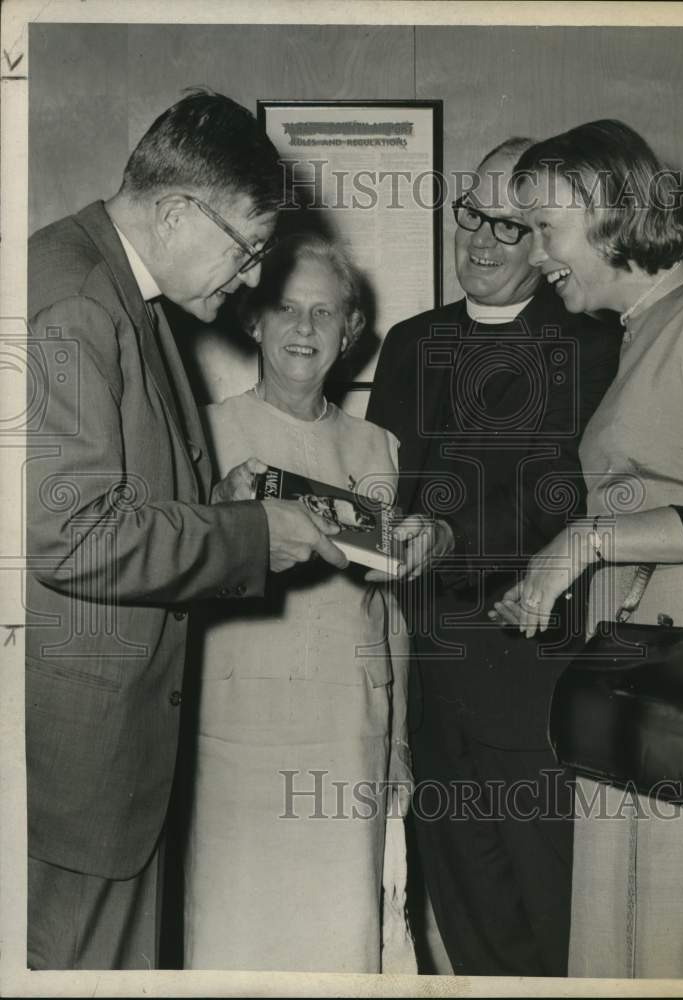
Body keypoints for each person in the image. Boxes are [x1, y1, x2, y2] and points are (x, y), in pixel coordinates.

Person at [25, 91, 347, 971]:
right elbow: (72, 533)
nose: (250, 279)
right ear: (175, 211)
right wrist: (245, 538)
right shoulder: (77, 304)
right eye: (245, 251)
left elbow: (113, 492)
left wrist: (219, 501)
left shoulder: (120, 291)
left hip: (104, 756)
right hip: (78, 767)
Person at [366, 139, 622, 976]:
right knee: (462, 913)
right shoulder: (409, 341)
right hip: (427, 680)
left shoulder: (590, 343)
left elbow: (556, 489)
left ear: (546, 241)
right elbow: (385, 482)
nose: (478, 240)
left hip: (530, 682)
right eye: (469, 213)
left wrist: (444, 533)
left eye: (509, 226)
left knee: (554, 921)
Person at [491, 119, 683, 978]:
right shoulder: (645, 323)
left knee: (674, 941)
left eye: (543, 227)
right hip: (634, 680)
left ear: (602, 209)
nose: (531, 252)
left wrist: (585, 542)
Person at [183, 234, 416, 973]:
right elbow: (169, 582)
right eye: (285, 308)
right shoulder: (205, 437)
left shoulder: (380, 447)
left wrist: (400, 740)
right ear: (253, 320)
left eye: (325, 312)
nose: (304, 329)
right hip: (234, 739)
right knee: (232, 940)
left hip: (348, 738)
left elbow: (387, 616)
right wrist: (220, 517)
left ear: (350, 333)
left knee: (339, 948)